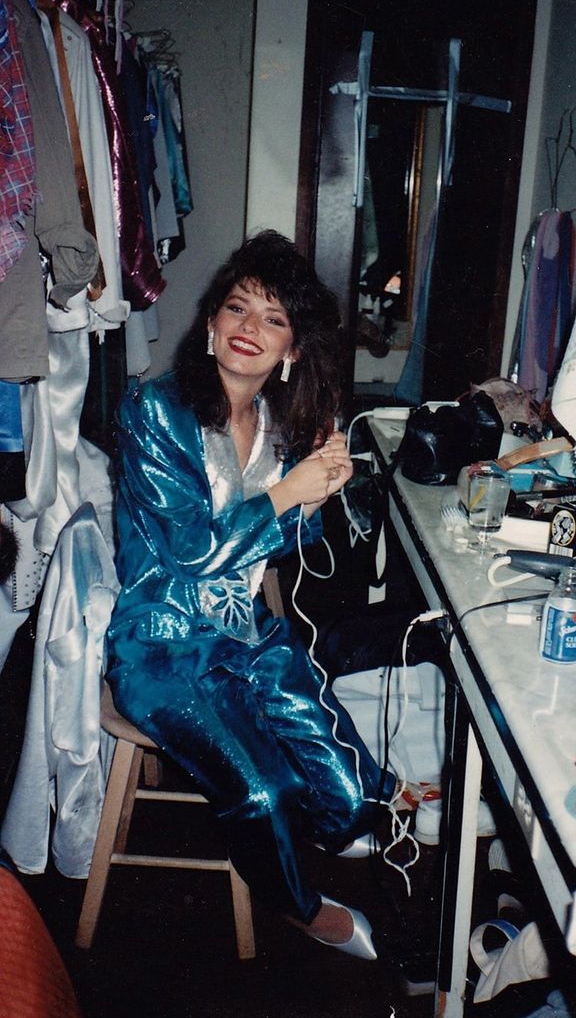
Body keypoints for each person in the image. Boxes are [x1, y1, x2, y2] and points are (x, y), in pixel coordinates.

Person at [106, 230, 397, 961]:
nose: (249, 328)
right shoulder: (154, 411)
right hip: (161, 646)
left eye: (273, 319)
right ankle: (299, 907)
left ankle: (325, 825)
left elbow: (287, 543)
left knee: (353, 795)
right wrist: (288, 494)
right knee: (264, 791)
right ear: (210, 323)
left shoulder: (273, 425)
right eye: (237, 308)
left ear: (290, 350)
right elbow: (192, 552)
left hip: (245, 634)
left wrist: (319, 491)